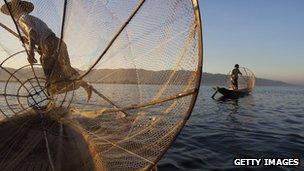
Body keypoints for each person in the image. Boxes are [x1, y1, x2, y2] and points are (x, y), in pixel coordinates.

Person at [1, 0, 92, 101]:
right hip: (58, 42)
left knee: (50, 79)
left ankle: (53, 100)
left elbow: (32, 33)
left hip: (49, 45)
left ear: (13, 11)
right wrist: (26, 40)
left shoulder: (22, 19)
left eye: (12, 11)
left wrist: (31, 53)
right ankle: (86, 86)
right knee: (67, 69)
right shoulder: (30, 18)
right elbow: (35, 36)